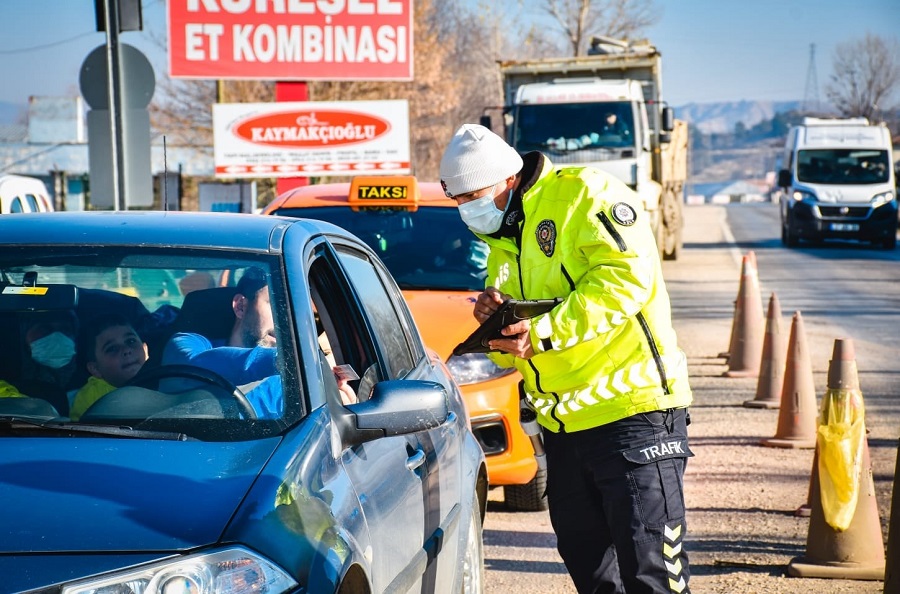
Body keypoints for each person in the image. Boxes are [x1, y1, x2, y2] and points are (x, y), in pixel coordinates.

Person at [439, 123, 694, 594]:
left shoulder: (585, 195)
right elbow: (529, 329)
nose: (468, 209)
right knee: (591, 571)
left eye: (474, 195)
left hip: (632, 414)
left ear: (509, 179)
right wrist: (498, 322)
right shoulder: (503, 241)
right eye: (459, 200)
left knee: (650, 572)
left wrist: (542, 334)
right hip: (565, 429)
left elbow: (626, 279)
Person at [69, 313, 148, 421]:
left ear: (145, 349)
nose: (126, 350)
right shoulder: (90, 398)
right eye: (112, 348)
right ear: (95, 369)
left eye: (131, 341)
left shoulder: (165, 378)